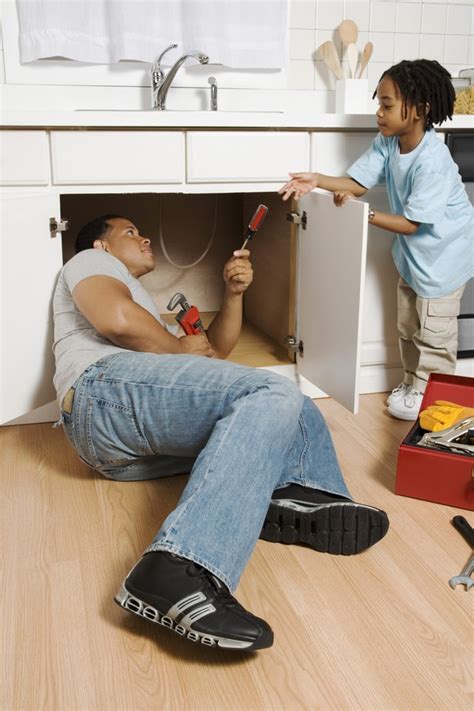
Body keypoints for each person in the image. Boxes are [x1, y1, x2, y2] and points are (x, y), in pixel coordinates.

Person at [52, 213, 389, 652]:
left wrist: (233, 294)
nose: (145, 235)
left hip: (126, 446)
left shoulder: (146, 309)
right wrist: (175, 348)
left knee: (292, 404)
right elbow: (116, 319)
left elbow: (214, 353)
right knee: (271, 391)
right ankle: (175, 567)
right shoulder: (89, 264)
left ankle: (302, 494)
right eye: (130, 232)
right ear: (101, 246)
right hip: (101, 391)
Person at [280, 59, 473, 421]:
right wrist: (317, 179)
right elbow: (357, 184)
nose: (379, 113)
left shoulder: (432, 160)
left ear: (419, 110)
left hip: (444, 258)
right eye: (379, 103)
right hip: (415, 258)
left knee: (434, 333)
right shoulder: (389, 143)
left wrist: (364, 215)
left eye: (387, 105)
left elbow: (413, 223)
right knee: (408, 326)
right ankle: (414, 383)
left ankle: (435, 396)